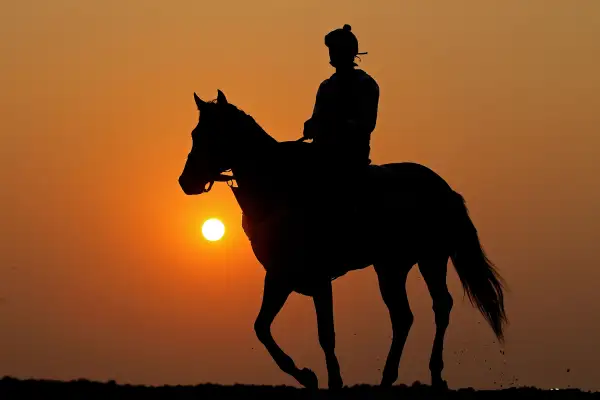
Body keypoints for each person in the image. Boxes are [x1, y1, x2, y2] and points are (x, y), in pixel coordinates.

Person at [303, 24, 380, 177]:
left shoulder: (365, 84)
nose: (332, 54)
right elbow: (317, 117)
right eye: (331, 50)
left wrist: (337, 124)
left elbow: (367, 124)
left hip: (350, 156)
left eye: (335, 49)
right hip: (321, 151)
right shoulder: (326, 86)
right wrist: (311, 125)